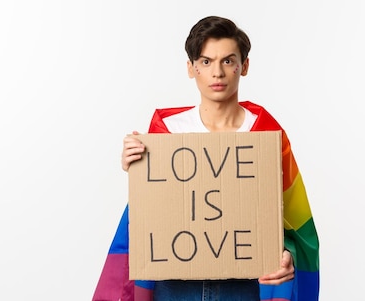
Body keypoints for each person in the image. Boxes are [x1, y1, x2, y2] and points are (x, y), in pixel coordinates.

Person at [92, 16, 319, 301]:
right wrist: (135, 166)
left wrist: (290, 255)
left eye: (228, 61)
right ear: (191, 68)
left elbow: (294, 222)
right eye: (206, 61)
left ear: (244, 66)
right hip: (174, 287)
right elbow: (151, 214)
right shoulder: (167, 132)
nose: (217, 73)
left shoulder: (267, 135)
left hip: (242, 286)